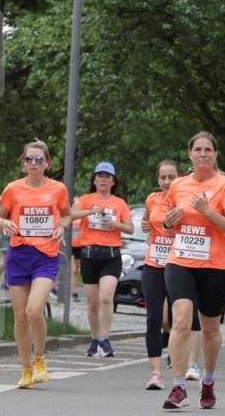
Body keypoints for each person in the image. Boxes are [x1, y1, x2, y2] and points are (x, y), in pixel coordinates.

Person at [162, 132, 225, 409]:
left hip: (215, 265)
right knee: (181, 320)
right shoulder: (178, 186)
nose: (202, 154)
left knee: (209, 329)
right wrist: (168, 222)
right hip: (181, 260)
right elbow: (170, 222)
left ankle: (207, 382)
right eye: (197, 149)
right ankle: (178, 386)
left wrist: (208, 211)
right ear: (190, 154)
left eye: (208, 150)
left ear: (215, 154)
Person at [0, 140, 71, 389]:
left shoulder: (57, 189)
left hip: (45, 256)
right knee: (19, 316)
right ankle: (26, 369)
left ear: (47, 162)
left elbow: (67, 214)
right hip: (19, 254)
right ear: (23, 162)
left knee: (33, 310)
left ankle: (39, 360)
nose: (34, 163)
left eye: (39, 159)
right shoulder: (13, 189)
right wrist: (3, 224)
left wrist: (61, 226)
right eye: (29, 159)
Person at [71, 161, 133, 358]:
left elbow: (130, 228)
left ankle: (105, 339)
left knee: (106, 297)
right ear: (95, 180)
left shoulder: (119, 203)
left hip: (111, 256)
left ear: (113, 181)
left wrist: (114, 224)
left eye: (108, 176)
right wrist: (91, 211)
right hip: (89, 255)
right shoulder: (86, 199)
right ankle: (95, 338)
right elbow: (70, 214)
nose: (104, 179)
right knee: (92, 303)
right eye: (100, 176)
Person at [141, 159, 180, 390]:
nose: (166, 182)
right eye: (163, 177)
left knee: (176, 319)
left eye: (171, 177)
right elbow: (148, 222)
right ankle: (156, 373)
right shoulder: (152, 199)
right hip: (154, 263)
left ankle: (178, 361)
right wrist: (147, 227)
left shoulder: (184, 199)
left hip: (178, 265)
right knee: (154, 317)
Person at [70, 216, 82, 300]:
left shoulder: (83, 215)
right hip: (70, 246)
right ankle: (74, 293)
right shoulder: (70, 215)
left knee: (77, 270)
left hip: (80, 245)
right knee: (73, 269)